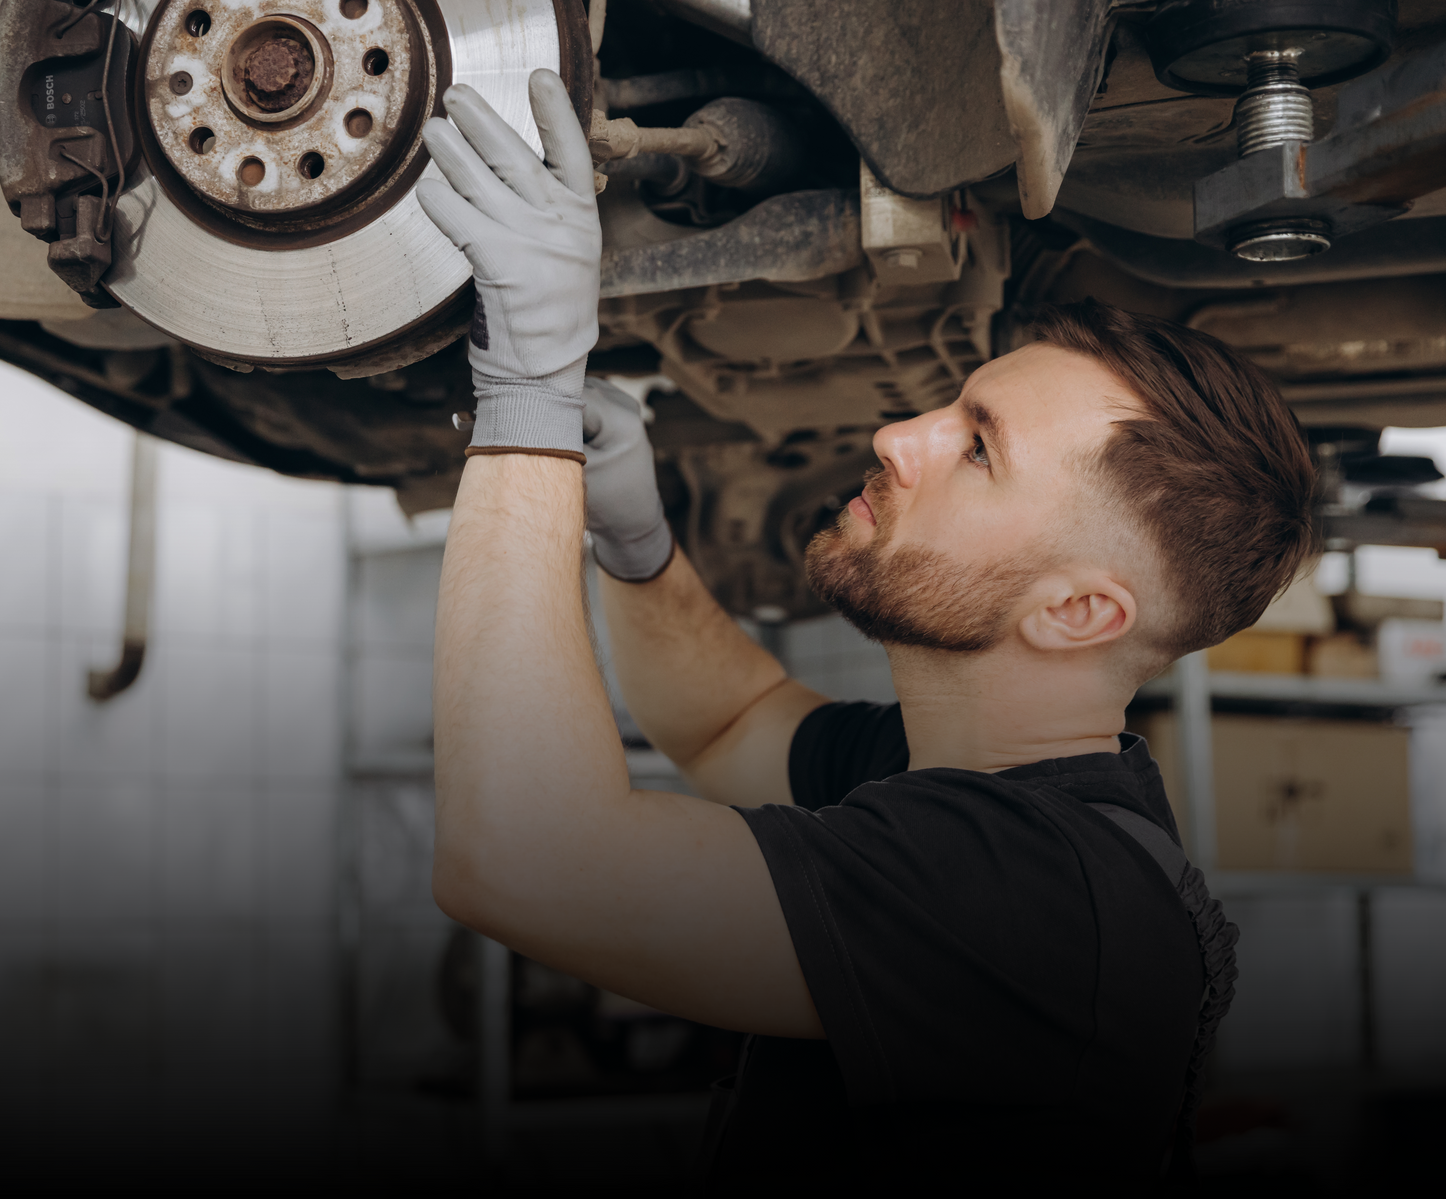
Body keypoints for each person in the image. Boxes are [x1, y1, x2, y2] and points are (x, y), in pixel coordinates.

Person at [415, 69, 1317, 1186]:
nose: (900, 434)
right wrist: (636, 540)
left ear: (1078, 611)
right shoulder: (983, 789)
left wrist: (529, 398)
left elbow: (520, 860)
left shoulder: (1038, 898)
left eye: (977, 448)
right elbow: (726, 723)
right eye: (953, 406)